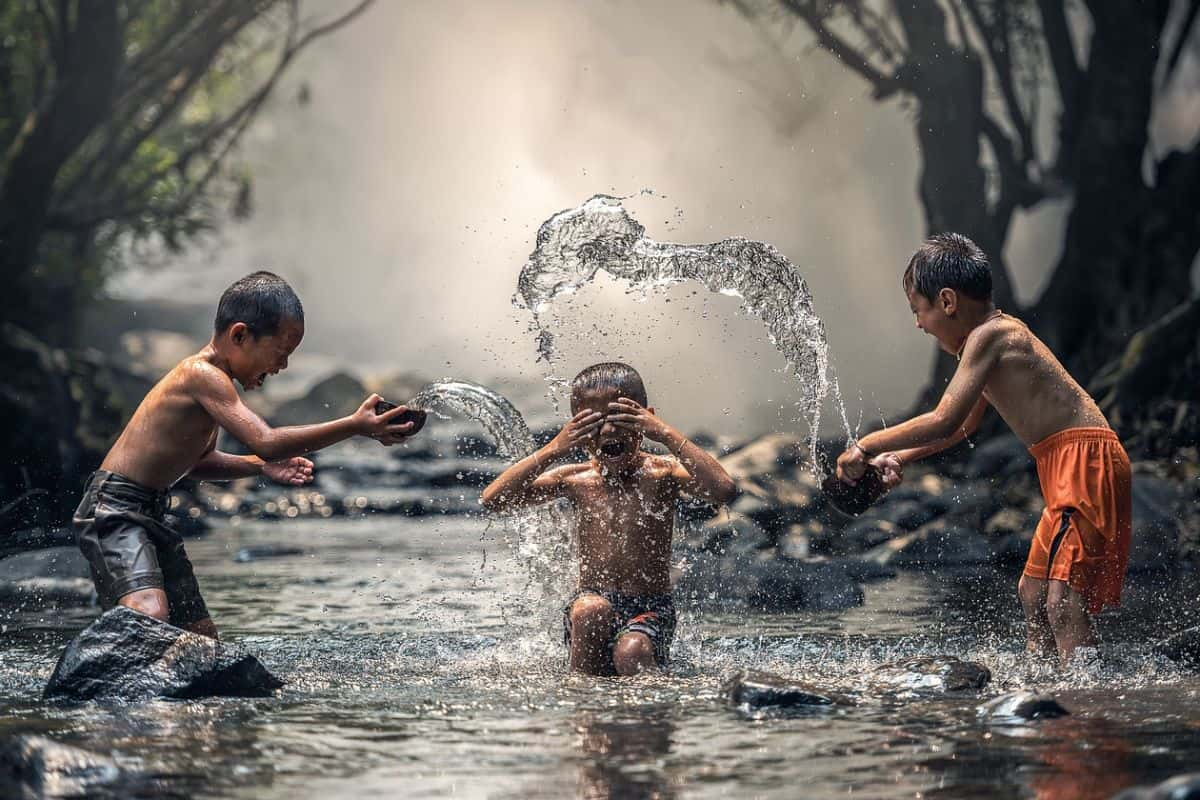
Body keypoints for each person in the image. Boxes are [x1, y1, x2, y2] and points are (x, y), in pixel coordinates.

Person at [835, 234, 1131, 665]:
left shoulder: (993, 335)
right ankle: (1042, 684)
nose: (919, 324)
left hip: (1084, 462)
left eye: (919, 311)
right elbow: (962, 429)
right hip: (1067, 463)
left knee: (1063, 598)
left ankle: (1086, 703)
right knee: (1033, 593)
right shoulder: (988, 341)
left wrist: (863, 446)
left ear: (948, 302)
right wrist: (900, 457)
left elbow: (944, 418)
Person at [74, 271, 419, 638]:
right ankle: (92, 675)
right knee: (150, 612)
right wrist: (354, 425)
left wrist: (259, 468)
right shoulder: (200, 375)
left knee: (200, 637)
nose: (282, 366)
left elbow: (199, 463)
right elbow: (266, 440)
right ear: (239, 335)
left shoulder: (215, 388)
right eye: (281, 353)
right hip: (114, 509)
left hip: (150, 512)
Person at [481, 362, 737, 675]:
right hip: (588, 604)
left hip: (650, 608)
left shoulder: (663, 474)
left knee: (632, 652)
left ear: (646, 419)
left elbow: (722, 489)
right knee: (591, 610)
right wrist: (554, 448)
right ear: (575, 428)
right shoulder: (575, 479)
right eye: (592, 423)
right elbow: (494, 500)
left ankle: (645, 714)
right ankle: (583, 703)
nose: (608, 431)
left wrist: (666, 433)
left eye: (620, 417)